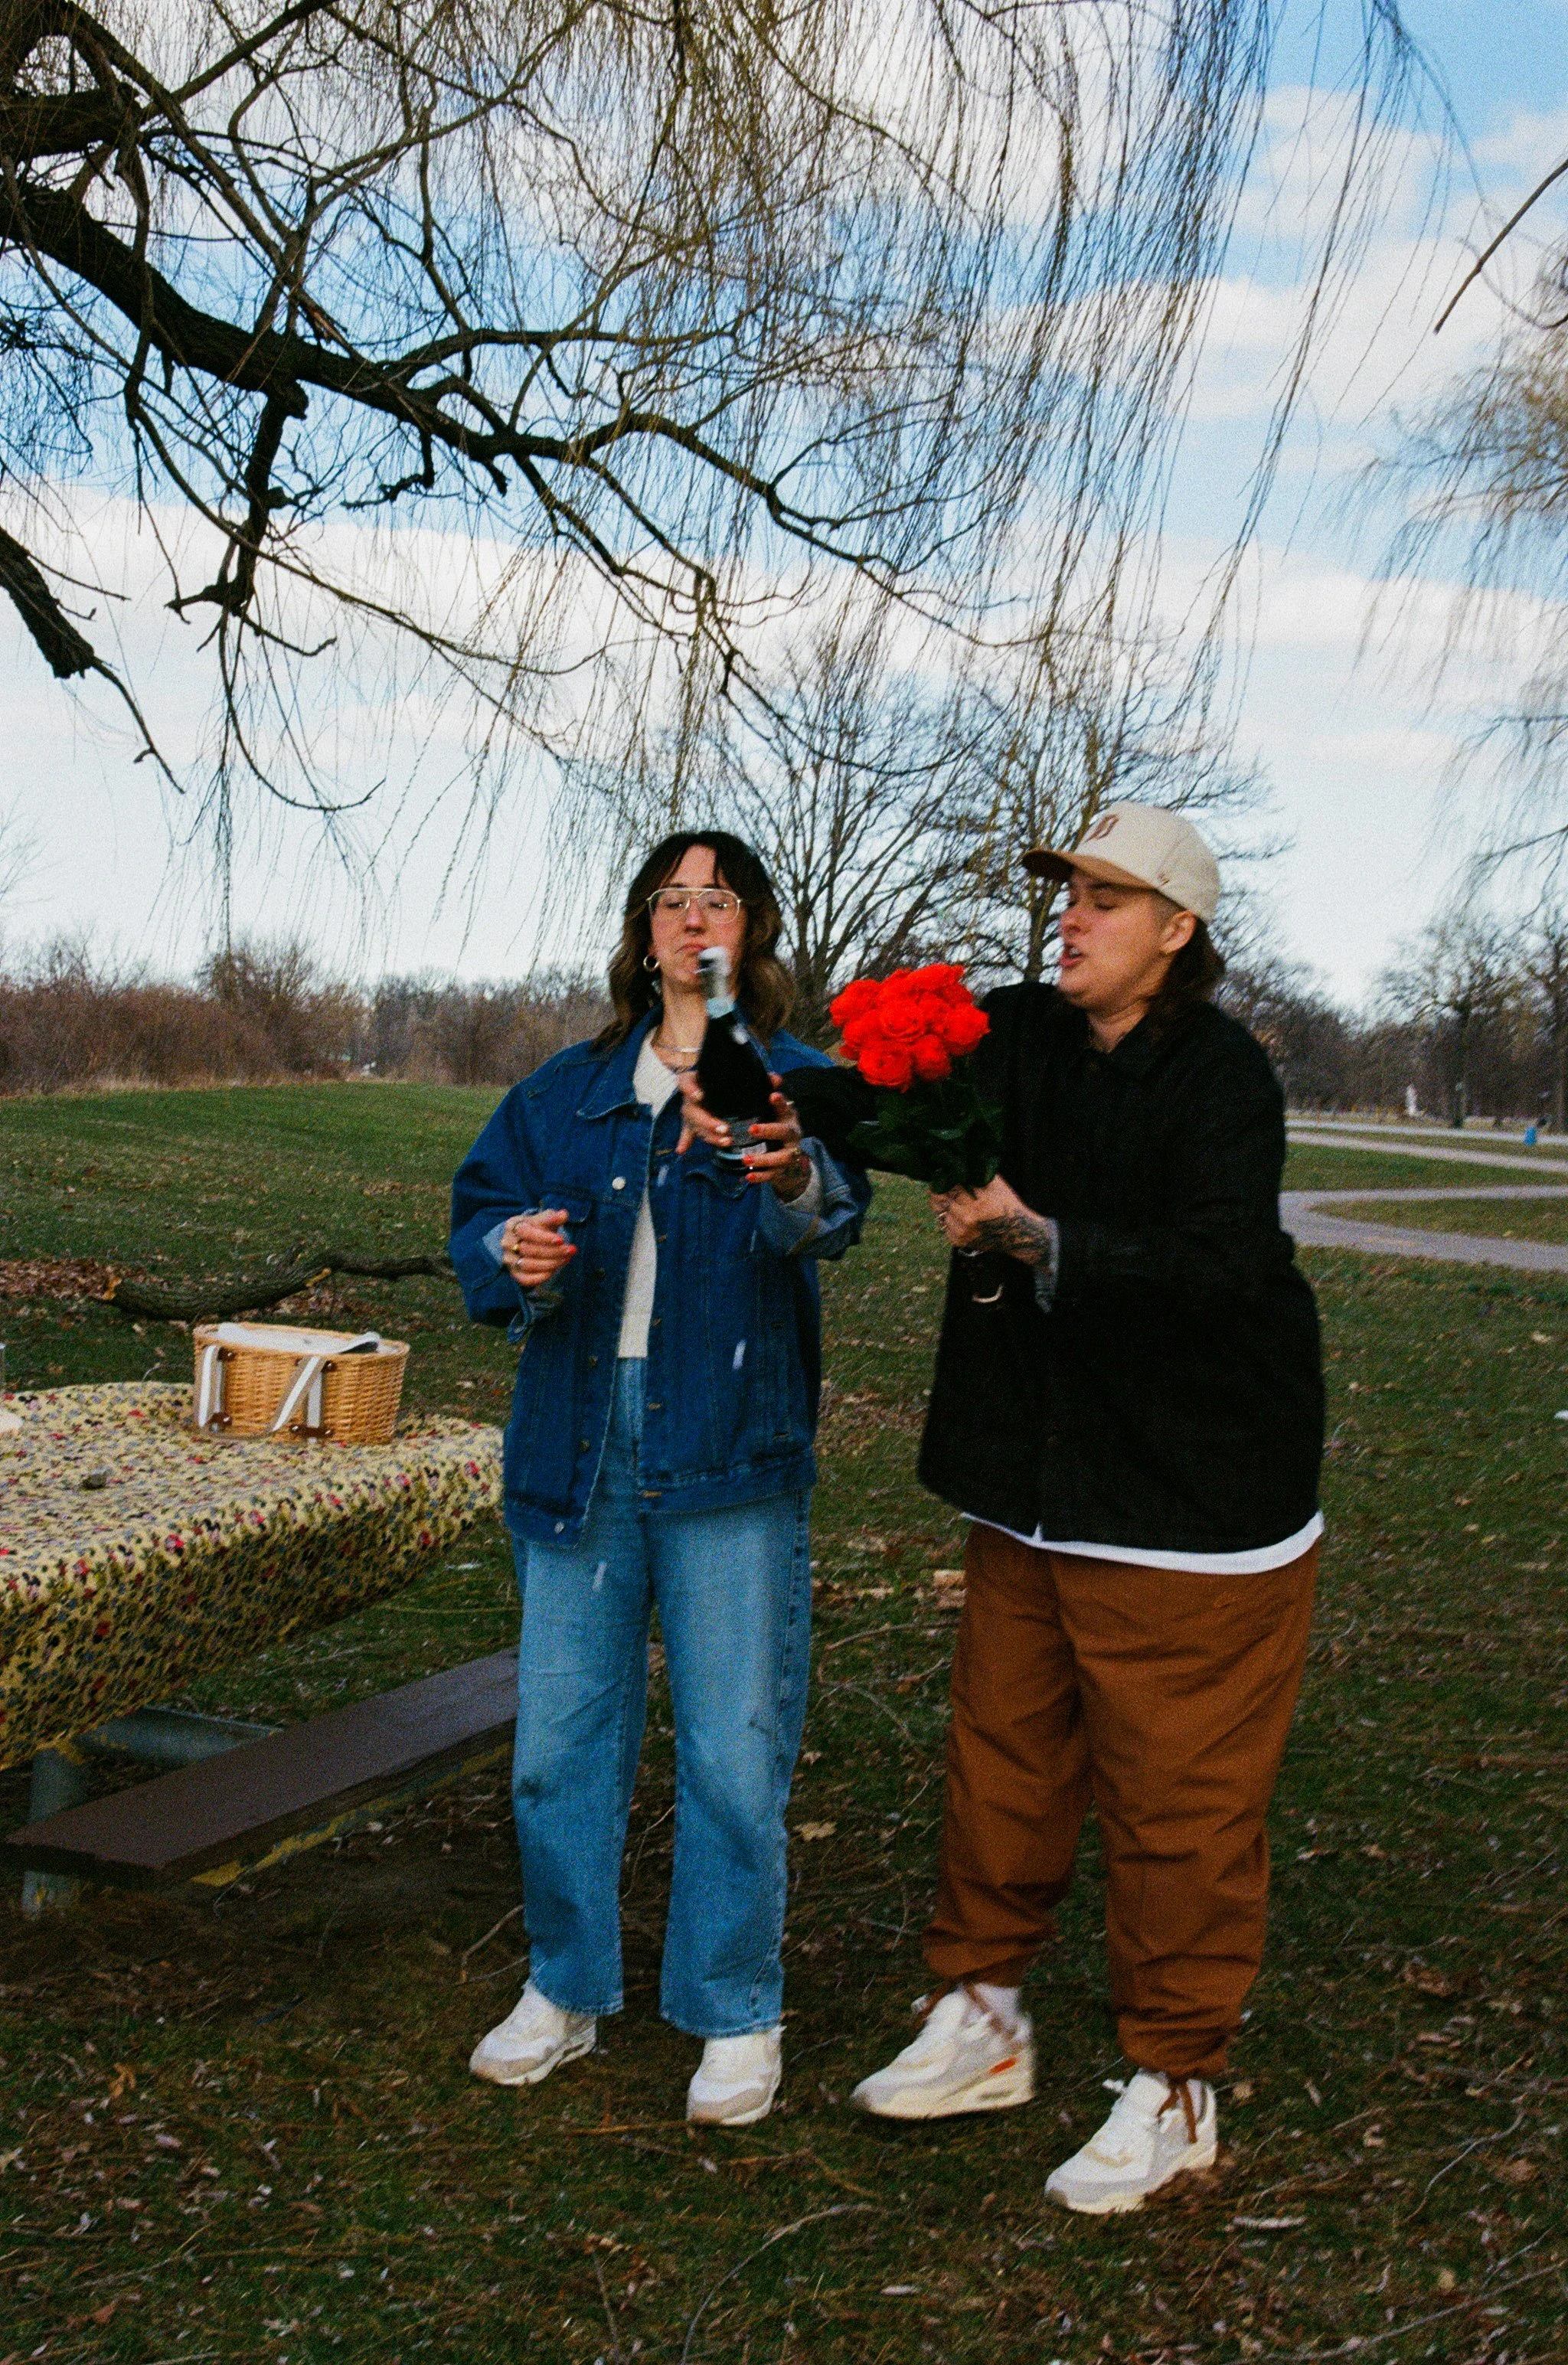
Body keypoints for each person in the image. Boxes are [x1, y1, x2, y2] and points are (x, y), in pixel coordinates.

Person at [851, 802, 1324, 2213]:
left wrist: (1041, 1237)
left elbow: (1222, 1264)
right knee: (1006, 1755)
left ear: (1176, 933)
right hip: (1034, 1489)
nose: (1071, 918)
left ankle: (1178, 2084)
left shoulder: (1225, 1077)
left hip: (1190, 1500)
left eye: (1107, 900)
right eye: (1066, 894)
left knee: (1179, 1804)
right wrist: (783, 1104)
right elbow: (892, 1096)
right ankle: (985, 2020)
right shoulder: (1024, 1036)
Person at [450, 831, 870, 2129]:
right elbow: (480, 1212)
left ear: (751, 933)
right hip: (580, 1440)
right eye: (672, 899)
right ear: (644, 931)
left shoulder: (793, 1080)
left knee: (737, 1755)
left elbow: (835, 1211)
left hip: (729, 1444)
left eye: (720, 899)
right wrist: (504, 1249)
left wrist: (793, 1171)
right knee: (557, 1749)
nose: (694, 918)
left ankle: (736, 2010)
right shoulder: (566, 1088)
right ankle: (565, 1989)